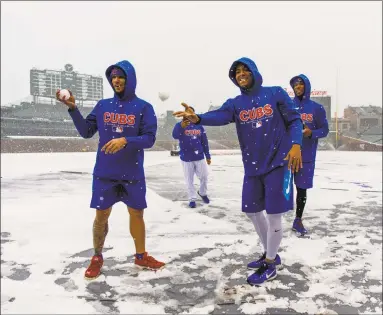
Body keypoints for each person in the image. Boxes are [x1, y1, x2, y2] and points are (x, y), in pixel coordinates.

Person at [173, 57, 303, 285]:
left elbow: (294, 120)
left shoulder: (275, 94)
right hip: (253, 166)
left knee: (274, 215)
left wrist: (295, 145)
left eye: (245, 70)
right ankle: (269, 253)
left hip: (278, 163)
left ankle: (270, 264)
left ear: (254, 71)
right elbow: (220, 116)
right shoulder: (235, 103)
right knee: (253, 212)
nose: (241, 74)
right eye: (237, 72)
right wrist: (198, 118)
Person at [56, 60, 165, 280]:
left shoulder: (144, 107)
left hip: (132, 174)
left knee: (137, 214)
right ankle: (97, 256)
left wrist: (126, 140)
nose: (116, 80)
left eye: (121, 76)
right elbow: (87, 131)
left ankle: (141, 256)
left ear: (130, 79)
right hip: (105, 173)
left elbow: (149, 139)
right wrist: (74, 109)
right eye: (113, 76)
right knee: (101, 215)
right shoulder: (103, 105)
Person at [290, 75, 329, 235]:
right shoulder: (287, 106)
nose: (298, 87)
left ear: (306, 86)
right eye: (295, 85)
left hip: (306, 157)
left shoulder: (316, 108)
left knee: (302, 189)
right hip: (287, 155)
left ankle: (298, 219)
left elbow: (324, 130)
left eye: (300, 84)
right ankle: (275, 219)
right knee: (278, 187)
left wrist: (311, 133)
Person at [172, 106, 211, 208]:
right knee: (189, 180)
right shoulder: (179, 125)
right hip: (186, 158)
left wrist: (207, 155)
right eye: (187, 113)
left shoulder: (199, 126)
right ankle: (192, 198)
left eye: (191, 113)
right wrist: (181, 126)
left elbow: (204, 142)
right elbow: (175, 136)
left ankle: (202, 193)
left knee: (204, 176)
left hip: (199, 156)